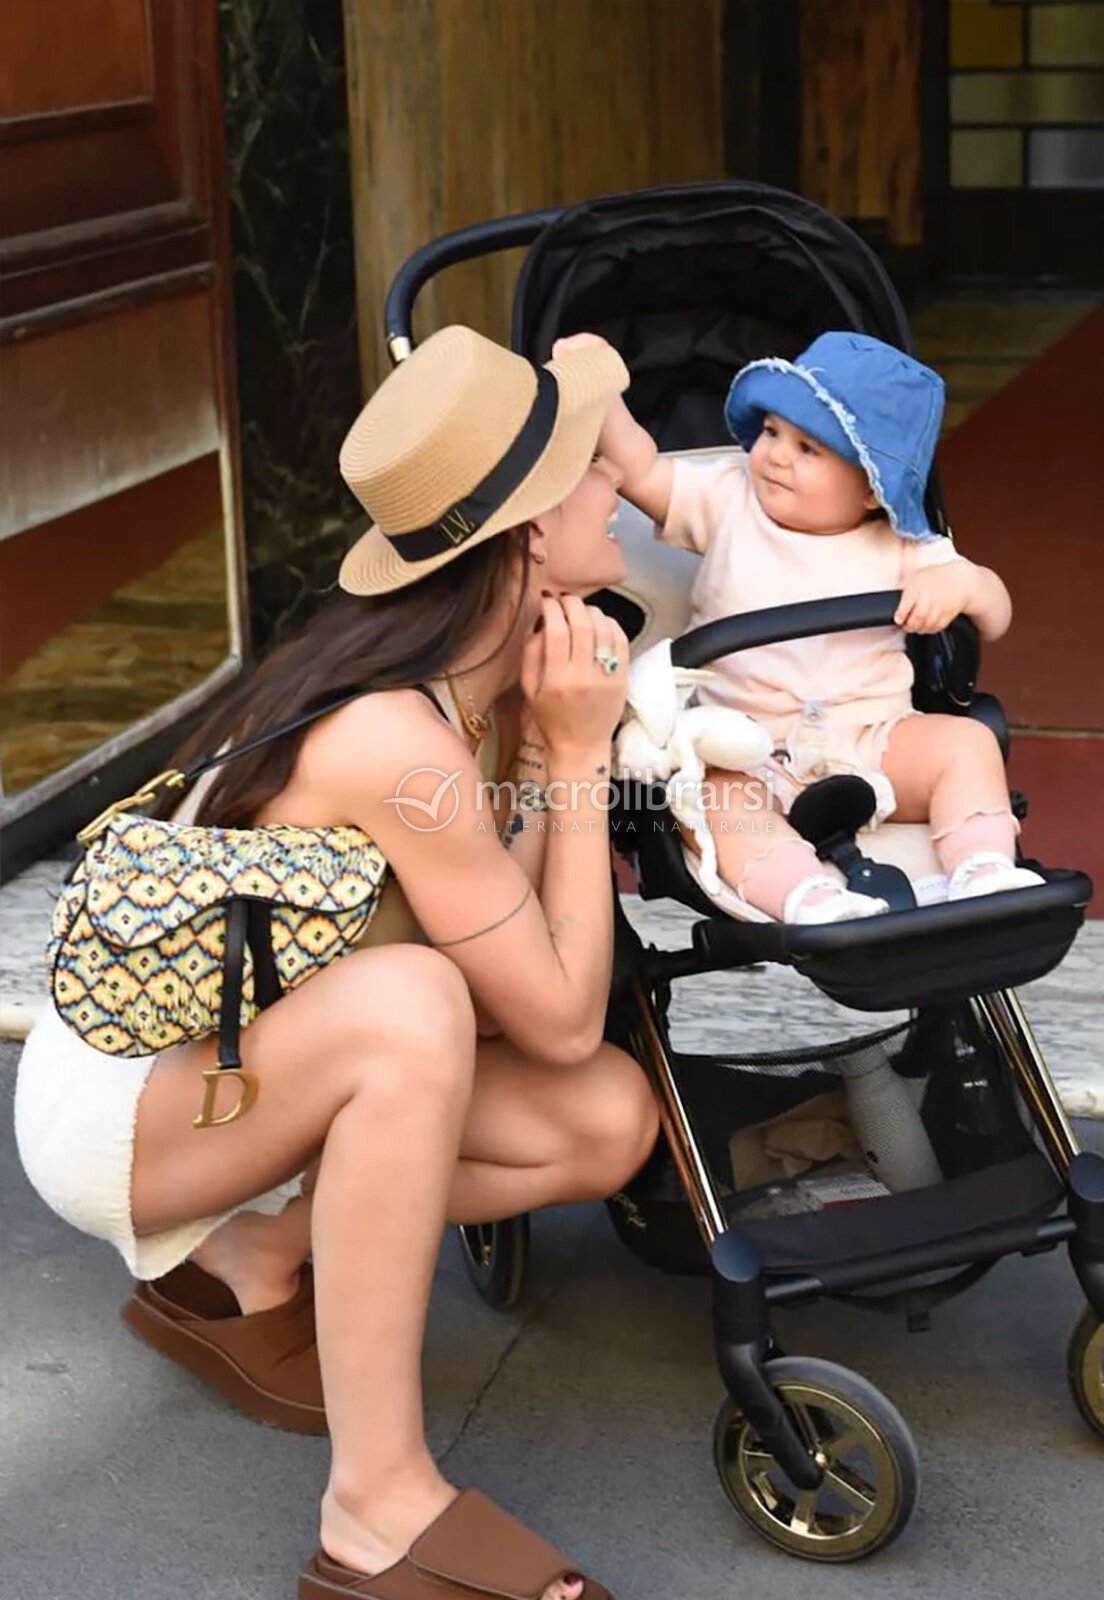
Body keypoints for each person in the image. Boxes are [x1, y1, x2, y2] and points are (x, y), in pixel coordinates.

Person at [15, 325, 660, 1600]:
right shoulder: (393, 734)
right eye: (593, 466)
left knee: (606, 1117)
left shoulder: (481, 680)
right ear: (530, 534)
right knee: (415, 1005)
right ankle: (375, 1507)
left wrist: (548, 750)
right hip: (122, 1104)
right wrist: (581, 764)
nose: (619, 486)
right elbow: (556, 1011)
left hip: (255, 1057)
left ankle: (252, 1258)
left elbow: (532, 1013)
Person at [577, 328, 1044, 925]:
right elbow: (640, 469)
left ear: (873, 488)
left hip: (874, 738)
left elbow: (995, 613)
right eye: (772, 431)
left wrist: (965, 585)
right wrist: (600, 392)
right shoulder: (728, 501)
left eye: (808, 448)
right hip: (748, 747)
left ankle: (982, 867)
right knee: (709, 796)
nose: (775, 455)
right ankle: (806, 894)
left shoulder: (905, 545)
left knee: (967, 743)